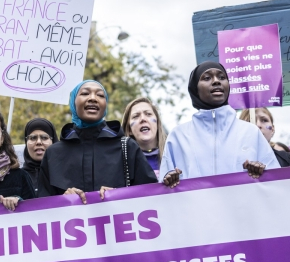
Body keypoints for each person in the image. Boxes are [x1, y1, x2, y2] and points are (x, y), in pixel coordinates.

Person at [39, 80, 178, 204]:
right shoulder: (53, 154)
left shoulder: (127, 147)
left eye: (100, 95)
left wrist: (120, 196)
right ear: (73, 102)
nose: (93, 98)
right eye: (85, 93)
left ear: (105, 105)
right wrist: (61, 201)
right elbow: (40, 207)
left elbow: (151, 197)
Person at [159, 61, 280, 180]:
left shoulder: (250, 132)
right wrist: (170, 181)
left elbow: (275, 183)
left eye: (222, 77)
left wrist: (262, 173)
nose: (216, 81)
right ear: (195, 89)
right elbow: (164, 189)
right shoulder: (178, 136)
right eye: (207, 78)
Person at [122, 97, 167, 178]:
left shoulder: (175, 155)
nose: (143, 119)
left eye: (148, 114)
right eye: (136, 116)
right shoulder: (120, 165)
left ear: (157, 123)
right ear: (129, 130)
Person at [22, 118, 58, 197]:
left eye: (44, 137)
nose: (38, 142)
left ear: (53, 141)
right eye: (33, 138)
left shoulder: (64, 174)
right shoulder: (17, 177)